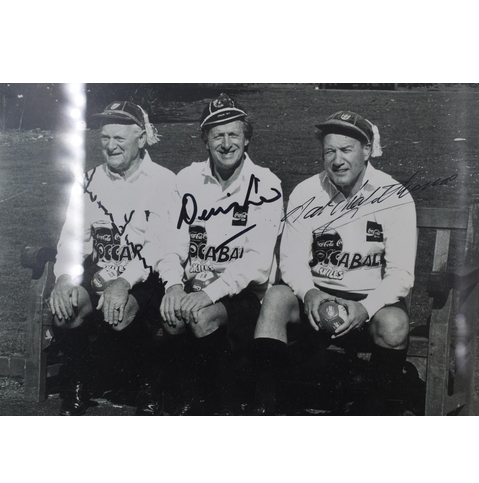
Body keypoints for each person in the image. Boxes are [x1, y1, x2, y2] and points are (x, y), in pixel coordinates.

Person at [251, 111, 418, 415]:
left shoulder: (394, 195)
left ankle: (371, 413)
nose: (337, 160)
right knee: (275, 298)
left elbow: (401, 274)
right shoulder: (307, 191)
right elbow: (291, 260)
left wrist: (366, 308)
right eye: (329, 151)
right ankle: (268, 407)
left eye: (346, 150)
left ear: (367, 150)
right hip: (316, 297)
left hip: (370, 301)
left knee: (395, 326)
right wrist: (310, 294)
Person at [49, 101, 179, 416]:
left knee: (121, 313)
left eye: (119, 138)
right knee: (68, 307)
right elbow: (70, 238)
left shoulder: (163, 181)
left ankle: (148, 387)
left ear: (141, 138)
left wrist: (123, 281)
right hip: (99, 273)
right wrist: (64, 278)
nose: (110, 146)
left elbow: (159, 246)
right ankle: (78, 389)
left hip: (143, 279)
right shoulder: (88, 180)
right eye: (105, 138)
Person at [158, 93, 283, 415]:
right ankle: (185, 400)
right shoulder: (186, 179)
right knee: (173, 313)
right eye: (217, 135)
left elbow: (257, 264)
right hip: (194, 284)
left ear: (247, 139)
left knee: (201, 315)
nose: (226, 144)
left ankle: (222, 405)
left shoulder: (266, 184)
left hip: (243, 293)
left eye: (234, 134)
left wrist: (208, 294)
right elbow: (171, 241)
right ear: (205, 140)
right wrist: (173, 285)